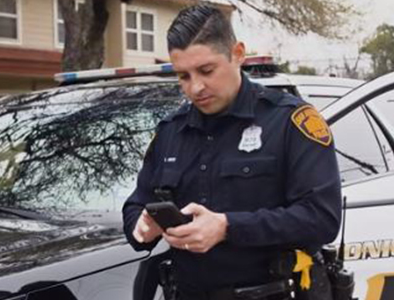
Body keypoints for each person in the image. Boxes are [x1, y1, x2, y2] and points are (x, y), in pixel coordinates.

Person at [122, 4, 342, 300]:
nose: (196, 87)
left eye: (206, 70)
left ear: (237, 53)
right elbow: (136, 204)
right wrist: (142, 227)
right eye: (183, 76)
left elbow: (322, 219)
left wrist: (227, 227)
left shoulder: (290, 121)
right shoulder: (171, 132)